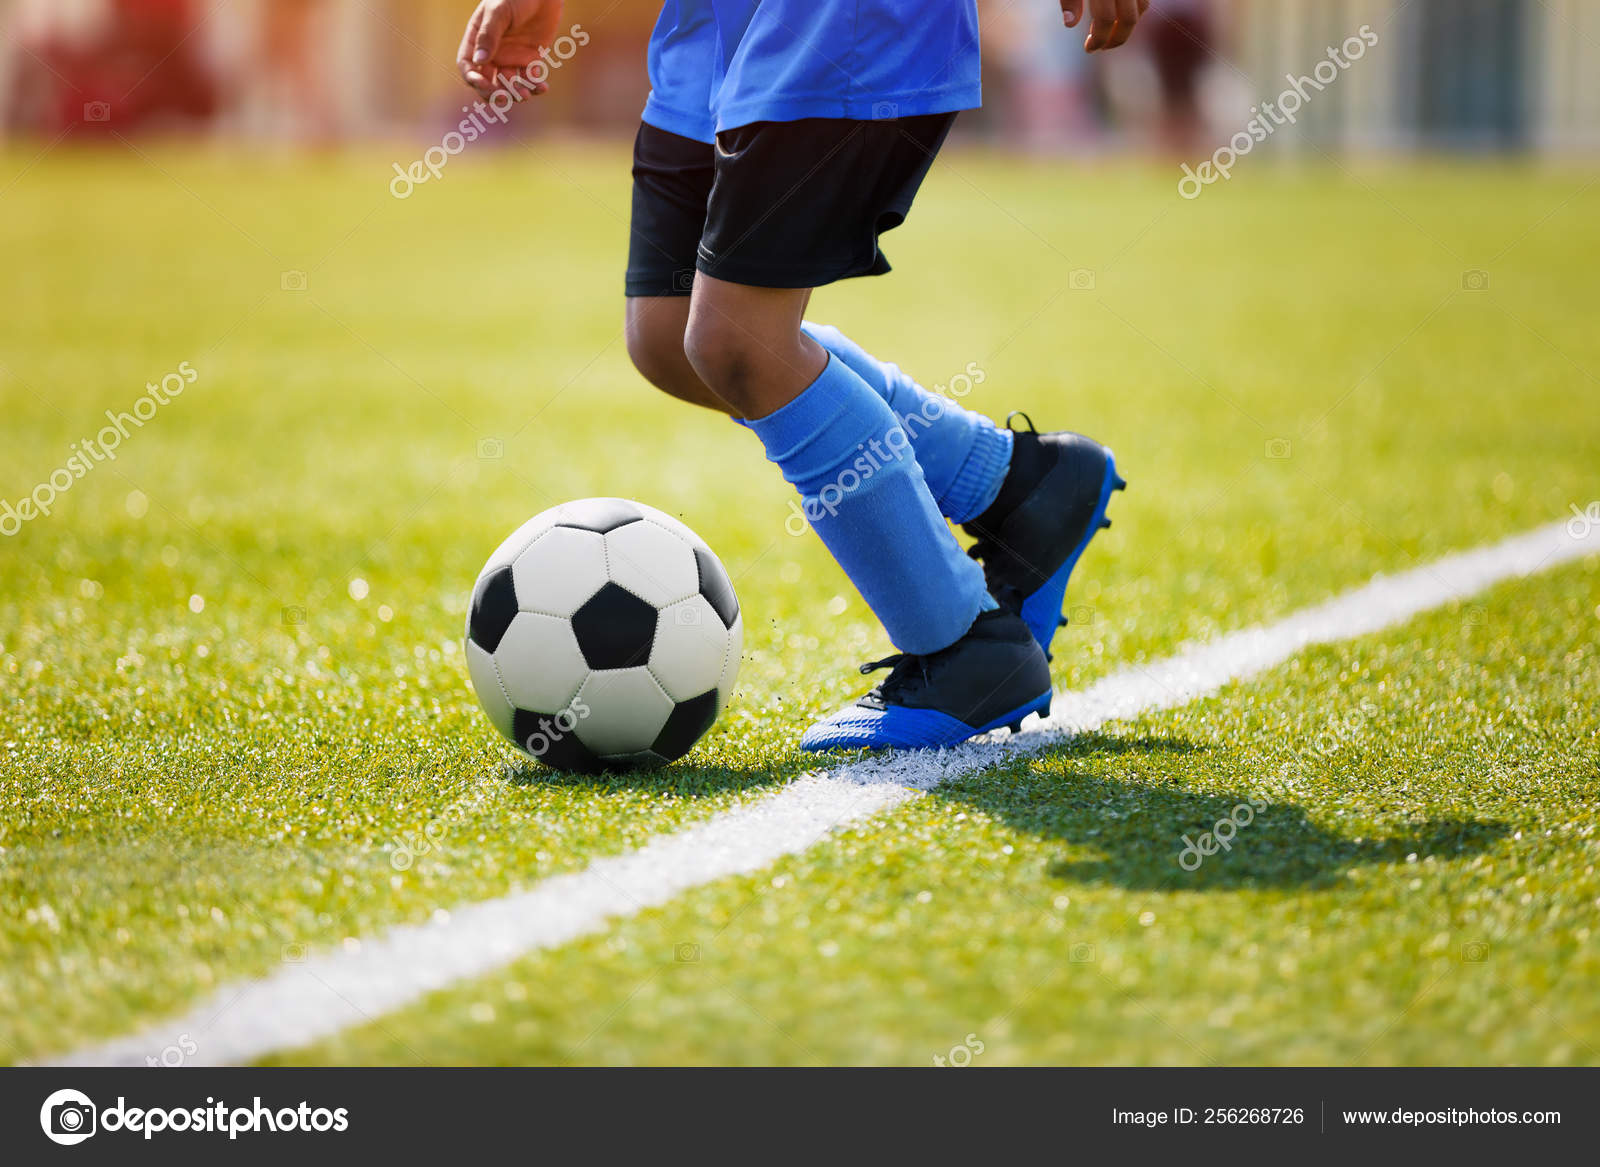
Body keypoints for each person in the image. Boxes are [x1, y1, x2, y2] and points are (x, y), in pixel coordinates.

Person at [455, 0, 1143, 752]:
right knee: (667, 333)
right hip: (712, 27)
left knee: (735, 341)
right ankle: (1018, 484)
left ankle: (964, 645)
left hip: (838, 22)